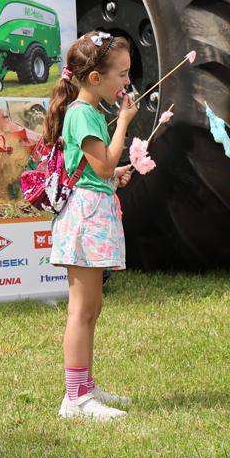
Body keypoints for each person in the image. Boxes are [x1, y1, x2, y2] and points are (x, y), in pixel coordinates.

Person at [46, 31, 138, 420]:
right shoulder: (83, 113)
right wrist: (124, 125)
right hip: (84, 221)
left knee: (92, 308)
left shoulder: (92, 112)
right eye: (122, 74)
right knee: (81, 311)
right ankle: (75, 399)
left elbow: (97, 171)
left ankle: (84, 385)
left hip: (93, 212)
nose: (127, 82)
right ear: (96, 78)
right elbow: (101, 165)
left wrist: (115, 175)